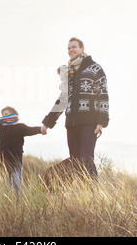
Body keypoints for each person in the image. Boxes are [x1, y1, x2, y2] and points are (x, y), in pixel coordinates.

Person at [41, 37, 109, 180]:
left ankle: (93, 194)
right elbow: (63, 99)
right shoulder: (68, 74)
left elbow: (103, 95)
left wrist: (101, 122)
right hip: (71, 123)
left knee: (86, 160)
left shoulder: (95, 68)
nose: (71, 50)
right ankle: (79, 194)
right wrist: (48, 122)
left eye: (74, 47)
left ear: (82, 49)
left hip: (89, 123)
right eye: (68, 48)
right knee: (76, 162)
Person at [0, 106, 43, 194]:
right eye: (2, 114)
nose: (3, 116)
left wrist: (40, 129)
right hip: (2, 162)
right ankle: (5, 203)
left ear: (13, 115)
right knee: (4, 186)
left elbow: (31, 130)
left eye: (6, 114)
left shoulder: (20, 127)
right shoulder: (2, 129)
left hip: (16, 162)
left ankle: (18, 203)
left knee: (17, 185)